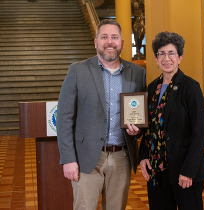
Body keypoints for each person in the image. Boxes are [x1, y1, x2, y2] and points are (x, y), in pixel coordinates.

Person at [56, 19, 146, 210]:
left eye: (114, 37)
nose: (109, 41)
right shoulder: (77, 71)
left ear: (122, 42)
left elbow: (140, 115)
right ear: (96, 42)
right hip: (86, 158)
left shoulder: (138, 73)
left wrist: (137, 131)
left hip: (122, 157)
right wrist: (68, 159)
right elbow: (64, 118)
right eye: (104, 37)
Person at [139, 31, 204, 210]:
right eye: (161, 53)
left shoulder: (191, 87)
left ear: (180, 57)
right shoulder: (152, 88)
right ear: (156, 59)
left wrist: (189, 170)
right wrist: (144, 155)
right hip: (157, 171)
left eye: (171, 53)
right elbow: (149, 128)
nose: (166, 58)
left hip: (184, 171)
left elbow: (199, 133)